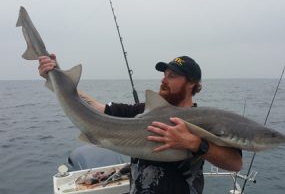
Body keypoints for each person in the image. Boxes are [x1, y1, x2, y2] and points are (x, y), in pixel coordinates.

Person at [38, 55, 242, 194]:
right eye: (164, 75)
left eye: (172, 76)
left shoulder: (206, 121)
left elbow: (235, 164)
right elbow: (93, 107)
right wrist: (57, 77)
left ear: (192, 84)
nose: (164, 80)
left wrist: (196, 144)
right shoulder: (142, 112)